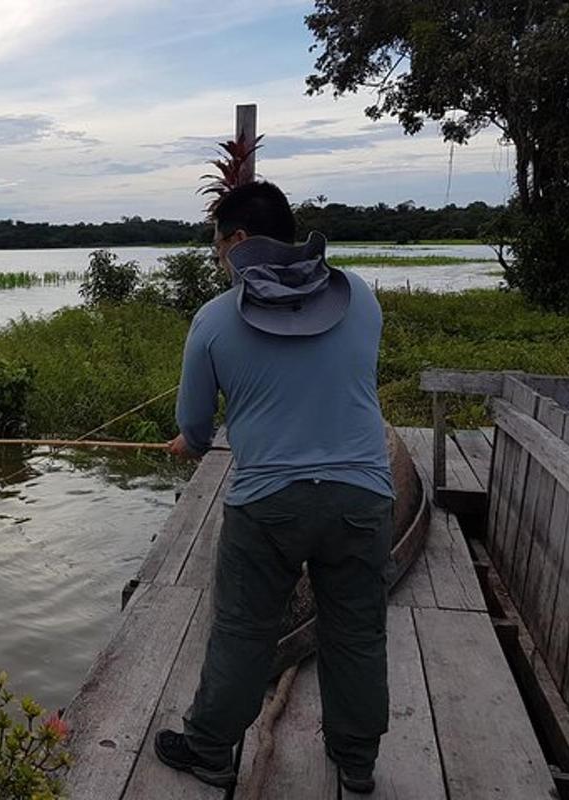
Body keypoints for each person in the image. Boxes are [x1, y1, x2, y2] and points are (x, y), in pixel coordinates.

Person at [157, 181, 394, 794]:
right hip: (363, 497)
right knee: (357, 630)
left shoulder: (212, 319)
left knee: (242, 631)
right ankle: (357, 762)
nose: (214, 255)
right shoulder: (360, 298)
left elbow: (195, 431)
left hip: (267, 506)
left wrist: (189, 441)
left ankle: (210, 750)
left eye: (216, 243)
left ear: (237, 241)